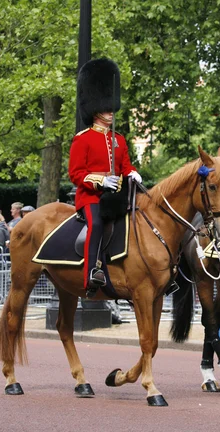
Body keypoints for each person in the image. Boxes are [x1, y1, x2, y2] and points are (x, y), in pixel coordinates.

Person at [68, 58, 142, 296]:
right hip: (91, 198)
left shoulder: (118, 139)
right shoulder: (83, 138)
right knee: (97, 224)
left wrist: (133, 173)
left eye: (112, 108)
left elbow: (125, 165)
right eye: (106, 108)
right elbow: (75, 173)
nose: (111, 112)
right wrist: (100, 181)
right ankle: (92, 272)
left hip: (116, 196)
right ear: (95, 110)